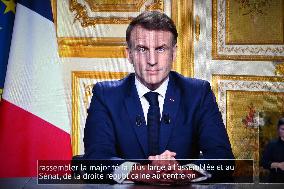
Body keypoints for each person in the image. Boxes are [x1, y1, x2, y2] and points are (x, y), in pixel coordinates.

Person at [83, 11, 234, 184]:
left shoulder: (198, 93)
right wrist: (144, 173)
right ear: (129, 54)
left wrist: (184, 174)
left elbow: (223, 159)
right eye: (142, 49)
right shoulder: (105, 95)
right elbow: (94, 160)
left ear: (174, 53)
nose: (152, 60)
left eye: (161, 49)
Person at [261, 118, 284, 183]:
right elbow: (263, 162)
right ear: (278, 130)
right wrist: (278, 165)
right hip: (276, 181)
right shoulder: (272, 144)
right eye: (283, 129)